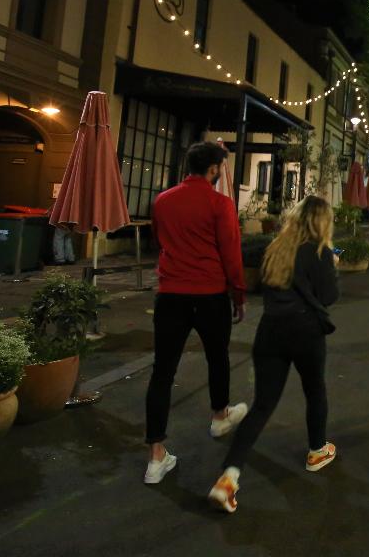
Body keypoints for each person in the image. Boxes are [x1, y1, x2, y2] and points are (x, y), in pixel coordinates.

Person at [208, 196, 340, 513]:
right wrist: (332, 268)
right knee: (314, 389)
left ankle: (228, 477)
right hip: (305, 332)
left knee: (263, 404)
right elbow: (329, 297)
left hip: (270, 332)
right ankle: (317, 450)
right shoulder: (318, 251)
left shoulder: (276, 248)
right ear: (322, 222)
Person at [144, 142, 248, 485]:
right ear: (215, 168)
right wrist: (239, 293)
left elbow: (159, 240)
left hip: (171, 294)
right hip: (209, 294)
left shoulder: (163, 200)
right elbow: (231, 252)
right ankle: (220, 416)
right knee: (217, 357)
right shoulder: (220, 204)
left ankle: (156, 455)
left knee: (163, 371)